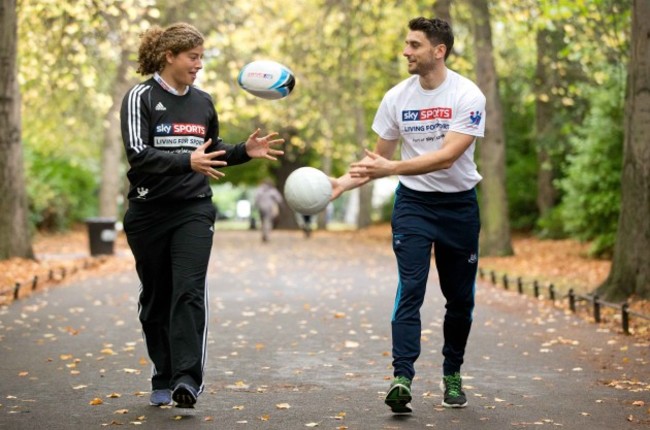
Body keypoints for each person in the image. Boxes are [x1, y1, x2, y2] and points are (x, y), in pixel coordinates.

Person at [119, 22, 284, 409]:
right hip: (148, 212)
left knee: (189, 292)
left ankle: (186, 381)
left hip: (193, 210)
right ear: (169, 56)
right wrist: (185, 160)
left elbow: (209, 153)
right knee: (156, 298)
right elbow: (138, 153)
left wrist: (244, 150)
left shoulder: (203, 102)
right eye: (193, 57)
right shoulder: (139, 97)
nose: (199, 65)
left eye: (201, 57)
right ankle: (162, 372)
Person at [330, 17, 485, 413]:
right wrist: (340, 184)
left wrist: (391, 169)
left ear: (439, 50)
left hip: (459, 206)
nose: (406, 52)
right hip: (413, 205)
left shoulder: (467, 95)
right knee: (410, 288)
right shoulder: (397, 97)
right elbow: (377, 159)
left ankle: (452, 373)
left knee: (460, 299)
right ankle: (402, 377)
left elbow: (448, 155)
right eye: (406, 44)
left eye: (414, 45)